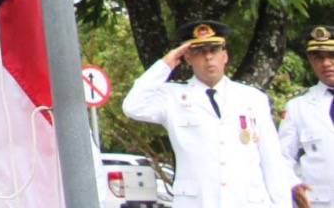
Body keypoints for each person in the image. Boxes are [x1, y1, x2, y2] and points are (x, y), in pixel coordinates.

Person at [123, 19, 307, 208]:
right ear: (188, 58)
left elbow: (272, 162)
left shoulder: (252, 98)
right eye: (200, 52)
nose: (208, 57)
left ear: (224, 56)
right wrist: (166, 63)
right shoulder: (173, 96)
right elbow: (132, 106)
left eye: (213, 50)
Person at [282, 25, 334, 206]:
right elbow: (282, 156)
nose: (326, 63)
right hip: (317, 202)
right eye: (318, 57)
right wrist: (293, 184)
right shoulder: (298, 106)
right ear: (310, 61)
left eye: (332, 56)